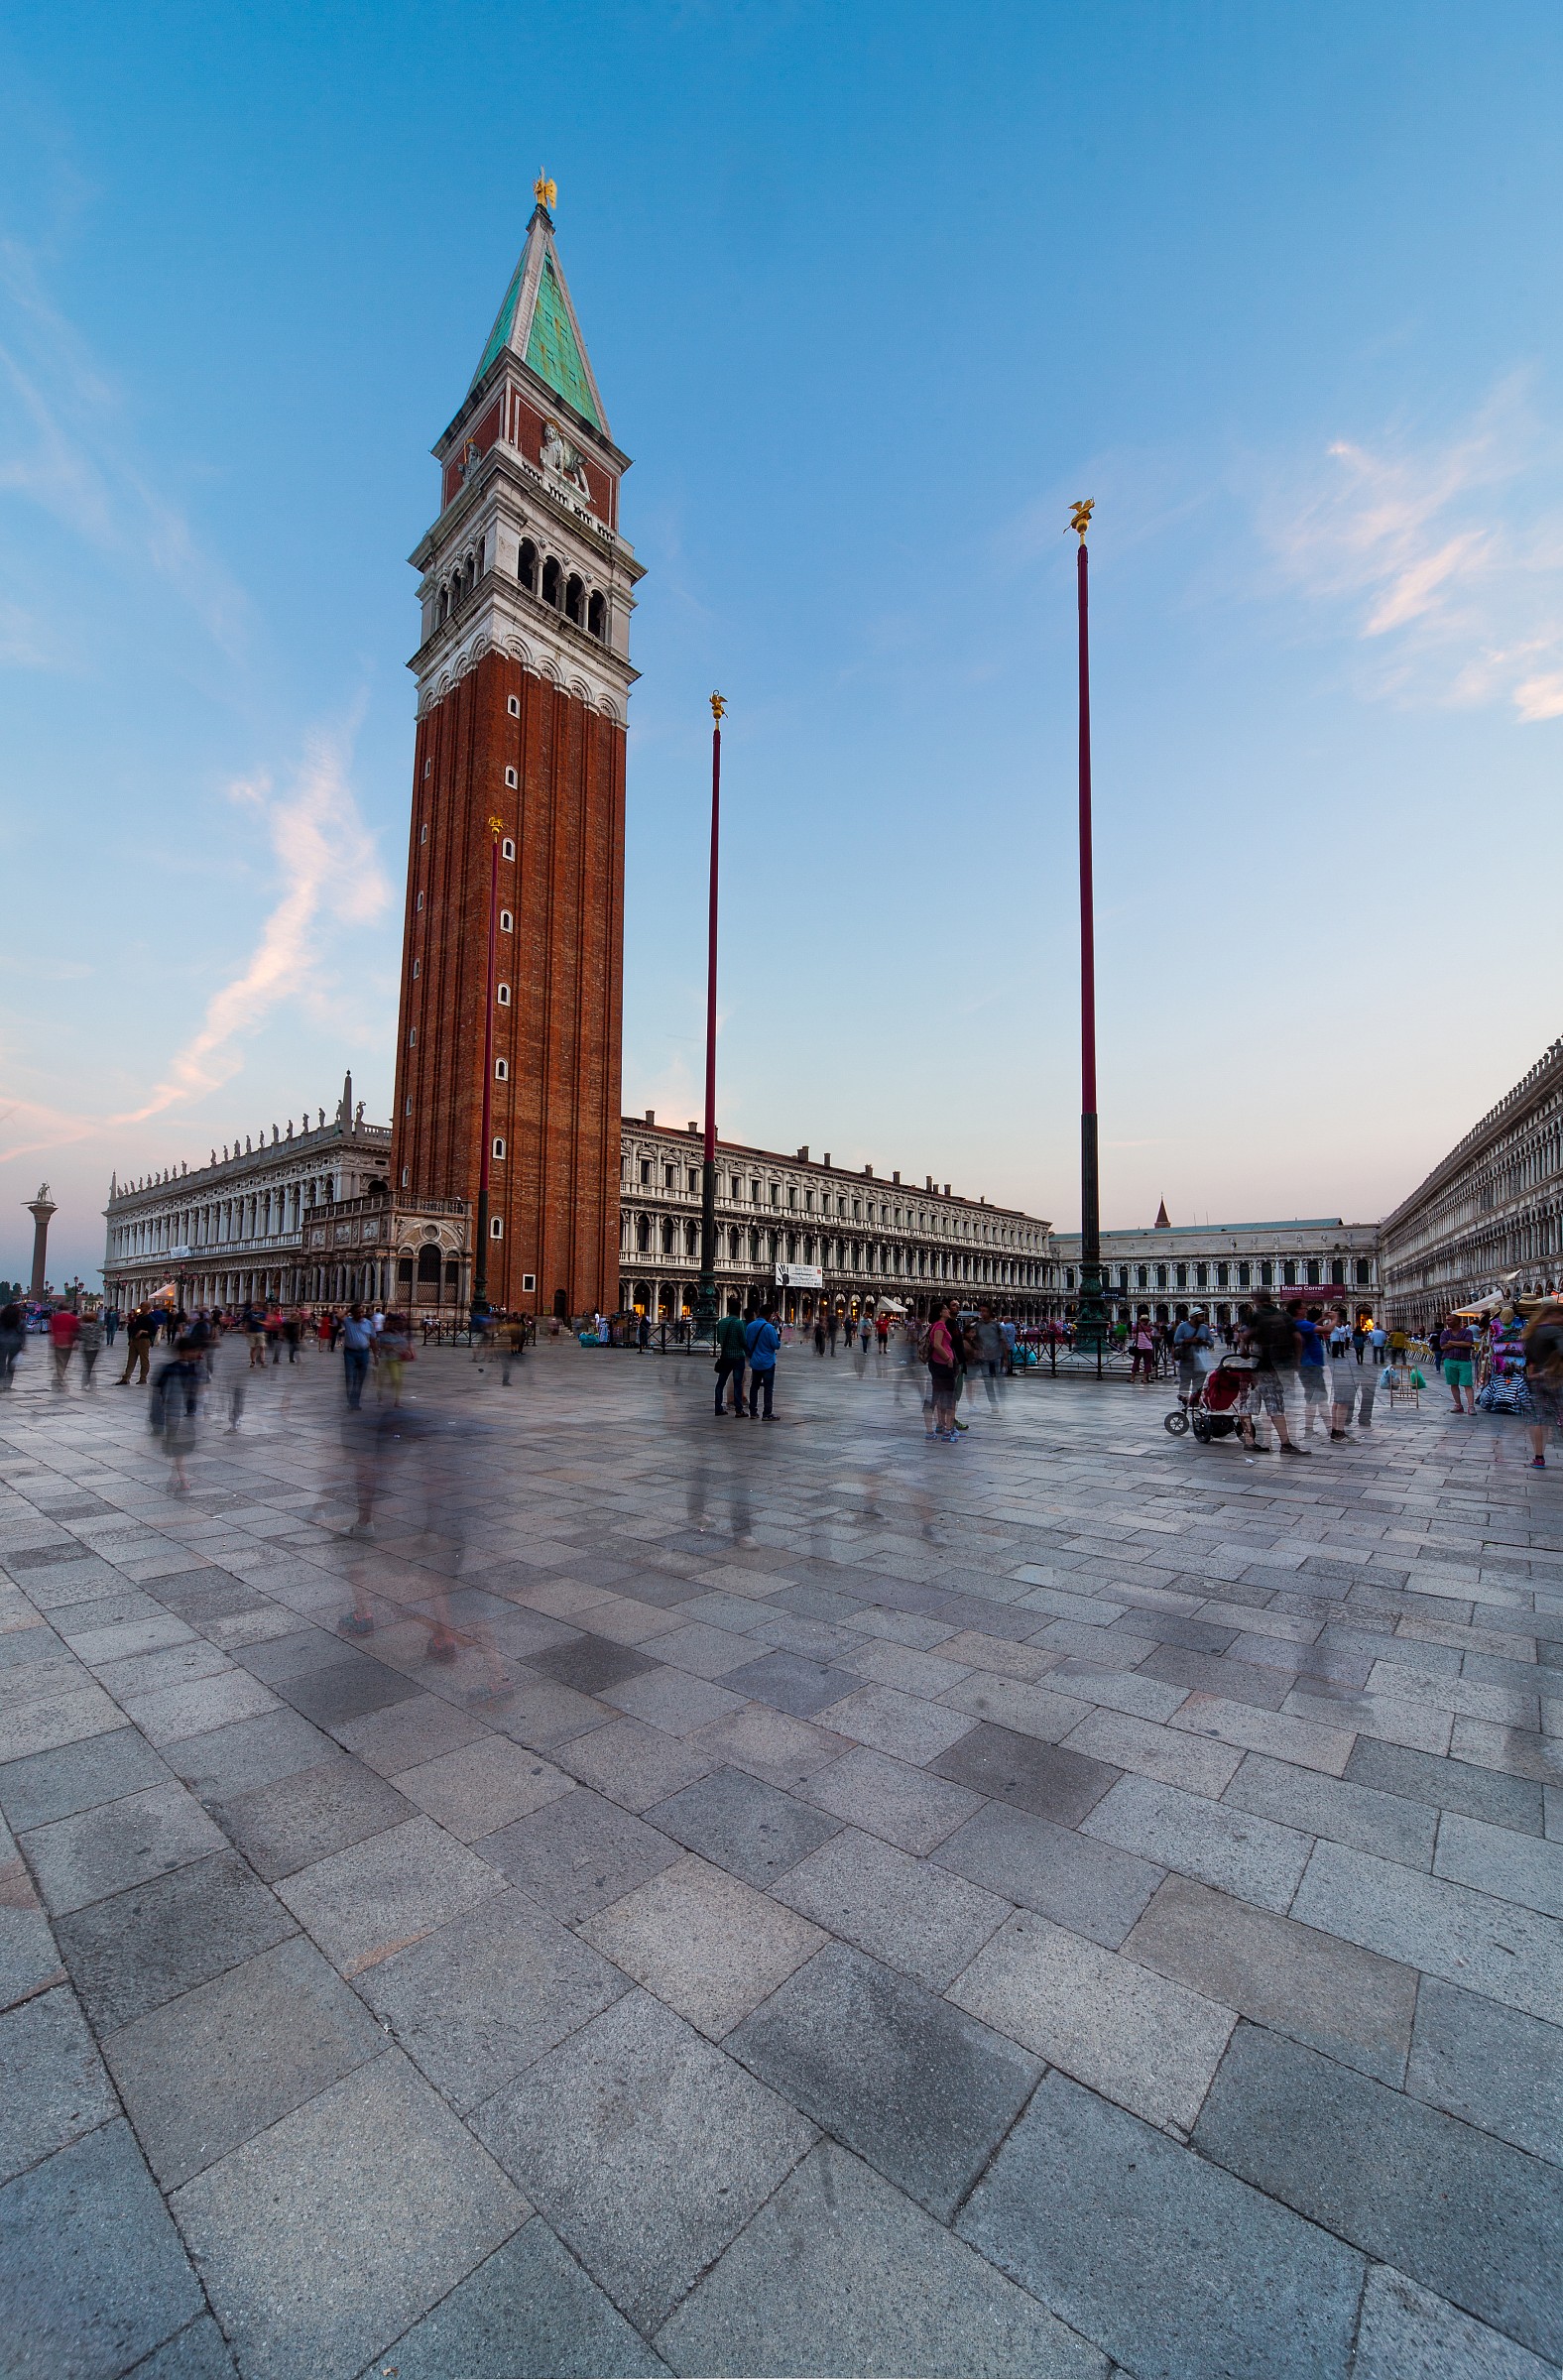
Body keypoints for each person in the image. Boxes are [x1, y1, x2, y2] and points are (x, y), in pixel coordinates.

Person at [1240, 1291, 1306, 1456]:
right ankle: (1285, 1443)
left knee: (1247, 1404)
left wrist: (1244, 1349)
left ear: (1256, 1300)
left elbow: (1246, 1335)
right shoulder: (1283, 1315)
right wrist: (1297, 1361)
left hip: (1259, 1363)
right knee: (1275, 1403)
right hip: (1279, 1365)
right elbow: (1298, 1338)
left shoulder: (1256, 1315)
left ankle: (1250, 1441)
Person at [148, 1333, 201, 1494]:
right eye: (192, 1351)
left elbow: (194, 1392)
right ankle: (182, 1480)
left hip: (186, 1414)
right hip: (174, 1414)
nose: (195, 1354)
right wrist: (157, 1417)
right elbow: (158, 1394)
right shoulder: (170, 1369)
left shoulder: (192, 1368)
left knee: (181, 1450)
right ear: (183, 1351)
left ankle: (176, 1477)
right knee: (179, 1450)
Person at [1521, 1298, 1563, 1469]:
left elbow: (1528, 1357)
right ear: (1553, 1315)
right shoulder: (1555, 1331)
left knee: (1537, 1418)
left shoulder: (1531, 1331)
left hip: (1536, 1378)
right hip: (1556, 1377)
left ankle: (1539, 1457)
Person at [1289, 1301, 1330, 1439]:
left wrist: (1321, 1319)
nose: (1306, 1309)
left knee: (1313, 1398)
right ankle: (1331, 1430)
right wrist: (1335, 1319)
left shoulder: (1298, 1324)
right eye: (1303, 1308)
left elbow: (1311, 1327)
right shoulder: (1302, 1324)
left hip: (1308, 1365)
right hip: (1311, 1365)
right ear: (1297, 1310)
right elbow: (1327, 1330)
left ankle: (1311, 1429)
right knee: (1319, 1398)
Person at [925, 1300, 961, 1440]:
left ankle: (934, 1431)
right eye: (945, 1308)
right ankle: (947, 1432)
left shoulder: (936, 1325)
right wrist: (948, 1359)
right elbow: (937, 1345)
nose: (948, 1310)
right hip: (942, 1365)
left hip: (937, 1365)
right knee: (948, 1397)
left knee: (937, 1396)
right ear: (941, 1312)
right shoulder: (940, 1325)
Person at [1172, 1308, 1214, 1408]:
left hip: (1201, 1360)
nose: (1203, 1317)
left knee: (1199, 1383)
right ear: (1193, 1317)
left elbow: (1211, 1343)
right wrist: (1190, 1341)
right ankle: (1183, 1402)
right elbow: (1176, 1340)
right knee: (1185, 1382)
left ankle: (1194, 1401)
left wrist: (1203, 1342)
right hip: (1187, 1359)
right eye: (1200, 1316)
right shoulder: (1183, 1326)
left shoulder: (1204, 1328)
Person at [744, 1304, 780, 1419]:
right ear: (769, 1314)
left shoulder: (750, 1326)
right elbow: (775, 1345)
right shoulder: (769, 1327)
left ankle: (753, 1412)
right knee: (768, 1388)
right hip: (767, 1362)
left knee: (754, 1386)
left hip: (755, 1361)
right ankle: (767, 1413)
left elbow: (747, 1343)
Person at [1439, 1311, 1477, 1416]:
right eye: (1446, 1320)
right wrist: (1460, 1343)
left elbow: (1468, 1344)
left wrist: (1451, 1342)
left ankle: (1471, 1406)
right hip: (1449, 1360)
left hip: (1464, 1361)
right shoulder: (1445, 1333)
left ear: (1457, 1321)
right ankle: (1458, 1405)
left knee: (1467, 1384)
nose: (1447, 1322)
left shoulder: (1467, 1332)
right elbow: (1443, 1347)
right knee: (1453, 1383)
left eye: (1449, 1320)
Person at [714, 1308, 748, 1416]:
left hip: (725, 1357)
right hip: (738, 1357)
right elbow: (743, 1340)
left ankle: (718, 1408)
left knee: (720, 1383)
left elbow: (719, 1340)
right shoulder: (739, 1323)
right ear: (738, 1312)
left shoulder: (721, 1322)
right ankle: (739, 1410)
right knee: (738, 1384)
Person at [341, 1304, 374, 1408]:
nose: (360, 1314)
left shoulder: (368, 1323)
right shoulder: (348, 1321)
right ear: (353, 1313)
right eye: (358, 1312)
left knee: (360, 1378)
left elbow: (373, 1339)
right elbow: (338, 1316)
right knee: (350, 1376)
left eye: (361, 1312)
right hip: (350, 1353)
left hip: (364, 1353)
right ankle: (351, 1401)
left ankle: (355, 1401)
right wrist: (348, 1309)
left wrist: (376, 1354)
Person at [117, 1306, 153, 1385]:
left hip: (144, 1340)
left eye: (142, 1306)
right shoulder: (139, 1317)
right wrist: (131, 1339)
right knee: (131, 1359)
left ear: (147, 1308)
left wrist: (142, 1331)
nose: (140, 1307)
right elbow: (134, 1328)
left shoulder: (150, 1318)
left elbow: (153, 1330)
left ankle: (143, 1378)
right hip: (135, 1340)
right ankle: (126, 1378)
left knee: (144, 1359)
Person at [48, 1305, 79, 1391]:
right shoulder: (73, 1318)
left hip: (58, 1341)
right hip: (69, 1342)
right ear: (68, 1309)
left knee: (59, 1361)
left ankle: (59, 1377)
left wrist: (52, 1340)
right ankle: (60, 1378)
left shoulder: (54, 1318)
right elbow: (76, 1331)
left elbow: (52, 1330)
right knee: (65, 1361)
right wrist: (76, 1342)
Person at [0, 1298, 25, 1389]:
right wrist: (23, 1345)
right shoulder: (20, 1321)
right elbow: (22, 1334)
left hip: (2, 1342)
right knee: (11, 1364)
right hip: (16, 1344)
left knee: (1, 1363)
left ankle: (1, 1381)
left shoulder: (1, 1320)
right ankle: (7, 1384)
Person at [76, 1310, 103, 1389]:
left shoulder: (83, 1326)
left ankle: (86, 1382)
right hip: (96, 1348)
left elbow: (80, 1336)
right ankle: (91, 1382)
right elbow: (101, 1336)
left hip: (87, 1348)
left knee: (87, 1366)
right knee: (91, 1365)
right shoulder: (97, 1326)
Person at [1130, 1311, 1156, 1383]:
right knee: (1147, 1363)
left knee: (1136, 1362)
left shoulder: (1135, 1329)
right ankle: (1144, 1379)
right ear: (1147, 1321)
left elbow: (1133, 1337)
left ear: (1140, 1321)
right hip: (1148, 1347)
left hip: (1139, 1347)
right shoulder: (1150, 1329)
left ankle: (1132, 1378)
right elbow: (1152, 1337)